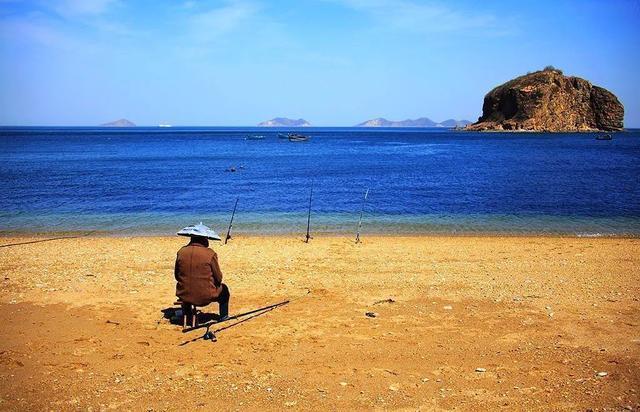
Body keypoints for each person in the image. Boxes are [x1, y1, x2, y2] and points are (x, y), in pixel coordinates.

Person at [174, 223, 230, 320]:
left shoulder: (181, 252)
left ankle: (187, 314)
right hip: (205, 296)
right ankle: (224, 316)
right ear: (204, 239)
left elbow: (177, 276)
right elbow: (218, 278)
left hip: (184, 294)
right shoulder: (210, 253)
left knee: (187, 286)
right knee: (224, 291)